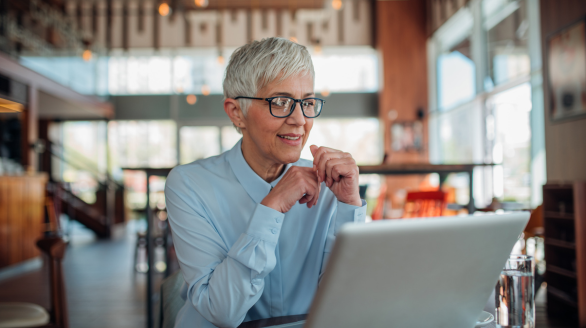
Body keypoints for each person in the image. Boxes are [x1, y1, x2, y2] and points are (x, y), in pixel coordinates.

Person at [165, 37, 367, 328]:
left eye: (307, 102)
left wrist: (350, 206)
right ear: (237, 113)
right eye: (281, 102)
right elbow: (222, 311)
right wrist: (270, 207)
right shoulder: (189, 185)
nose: (300, 119)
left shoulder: (330, 185)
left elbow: (349, 301)